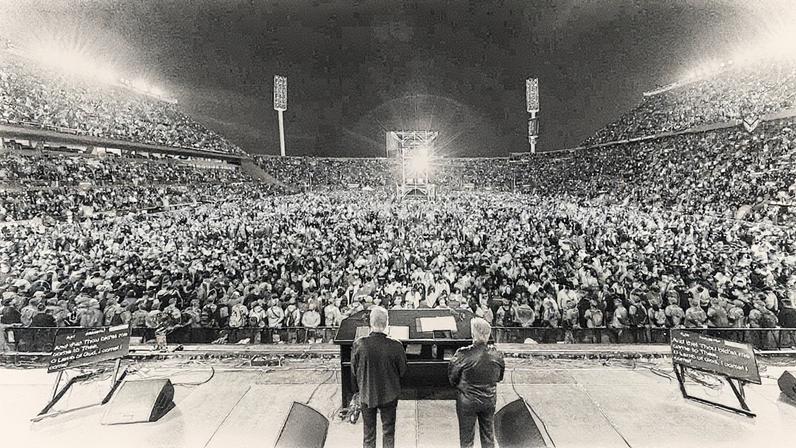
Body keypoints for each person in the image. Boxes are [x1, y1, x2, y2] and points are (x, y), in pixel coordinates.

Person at [351, 306, 407, 448]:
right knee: (388, 432)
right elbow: (402, 371)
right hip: (389, 394)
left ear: (370, 322)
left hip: (367, 394)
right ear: (387, 322)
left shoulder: (360, 344)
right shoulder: (396, 345)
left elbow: (354, 370)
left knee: (368, 434)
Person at [448, 317, 505, 448]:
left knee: (466, 439)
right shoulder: (497, 355)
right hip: (489, 399)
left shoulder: (462, 354)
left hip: (467, 401)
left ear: (473, 334)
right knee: (488, 436)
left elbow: (452, 378)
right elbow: (499, 377)